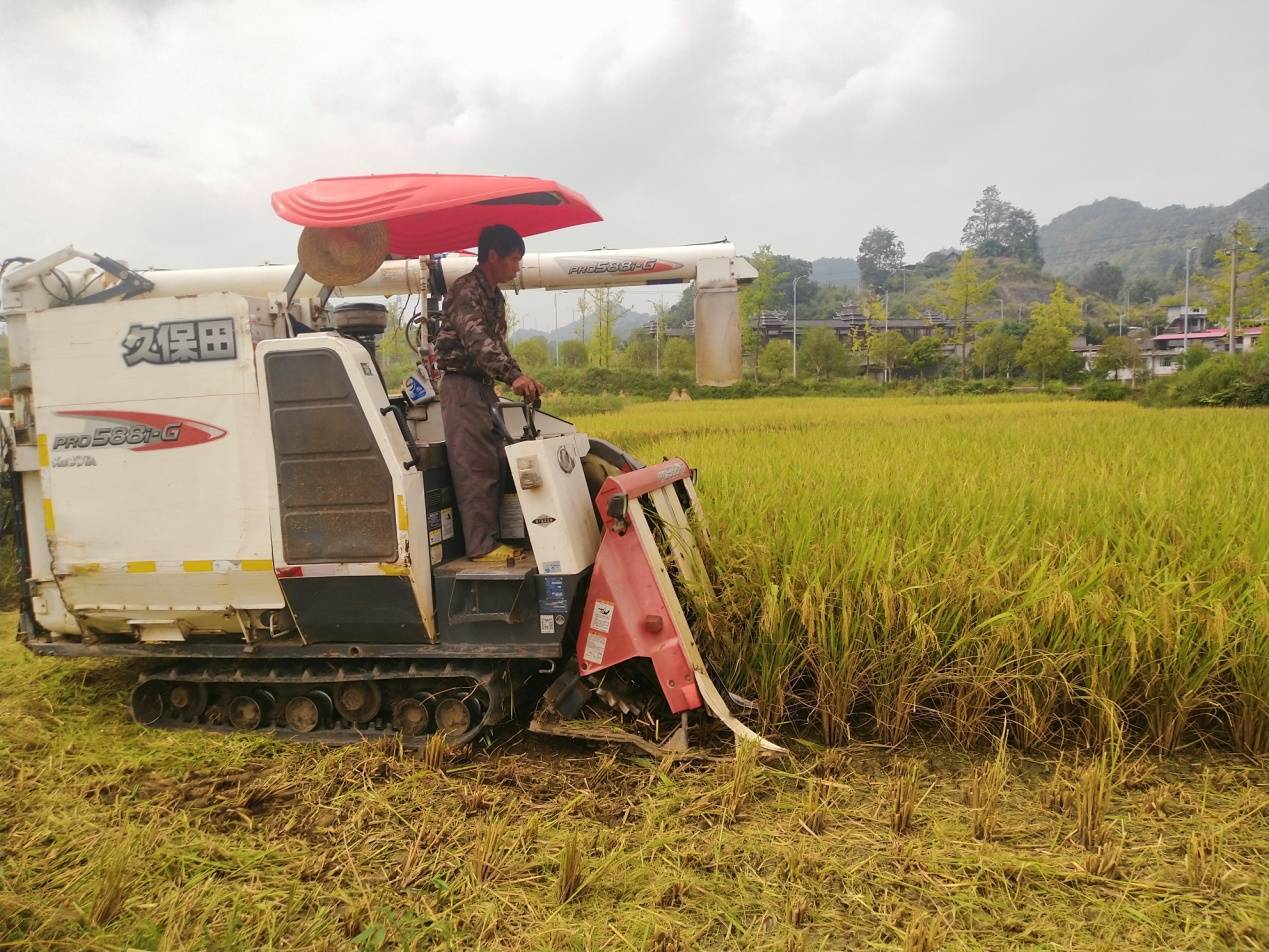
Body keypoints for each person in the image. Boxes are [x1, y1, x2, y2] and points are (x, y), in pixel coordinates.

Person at [435, 224, 543, 561]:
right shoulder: (466, 290)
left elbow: (497, 346)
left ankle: (496, 538)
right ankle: (482, 548)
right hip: (462, 388)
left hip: (483, 389)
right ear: (493, 255)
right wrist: (513, 377)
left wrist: (520, 375)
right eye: (514, 260)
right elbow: (478, 342)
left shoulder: (494, 297)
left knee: (497, 462)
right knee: (475, 467)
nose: (517, 268)